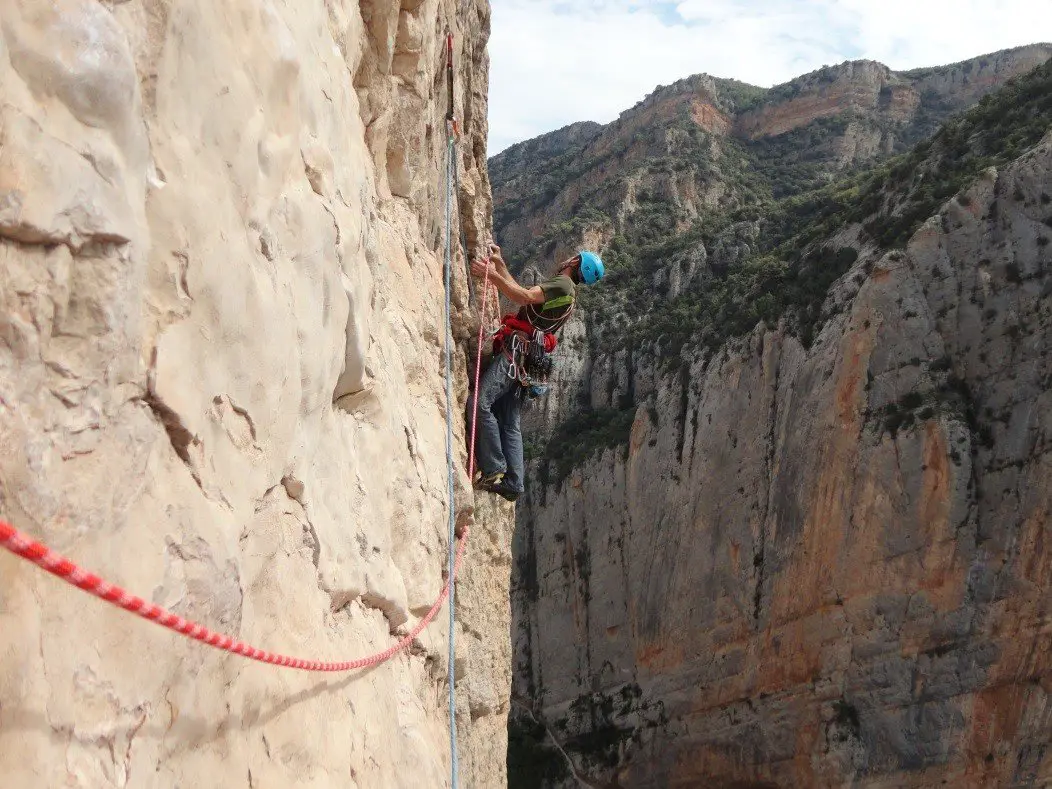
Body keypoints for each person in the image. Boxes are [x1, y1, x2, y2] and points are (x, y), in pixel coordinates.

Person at [468, 243, 606, 502]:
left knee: (479, 403)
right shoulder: (569, 292)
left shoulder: (563, 286)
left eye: (572, 256)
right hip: (527, 361)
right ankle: (514, 482)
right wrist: (500, 264)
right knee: (510, 423)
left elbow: (524, 297)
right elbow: (524, 293)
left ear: (575, 262)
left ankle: (495, 468)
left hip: (516, 353)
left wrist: (493, 276)